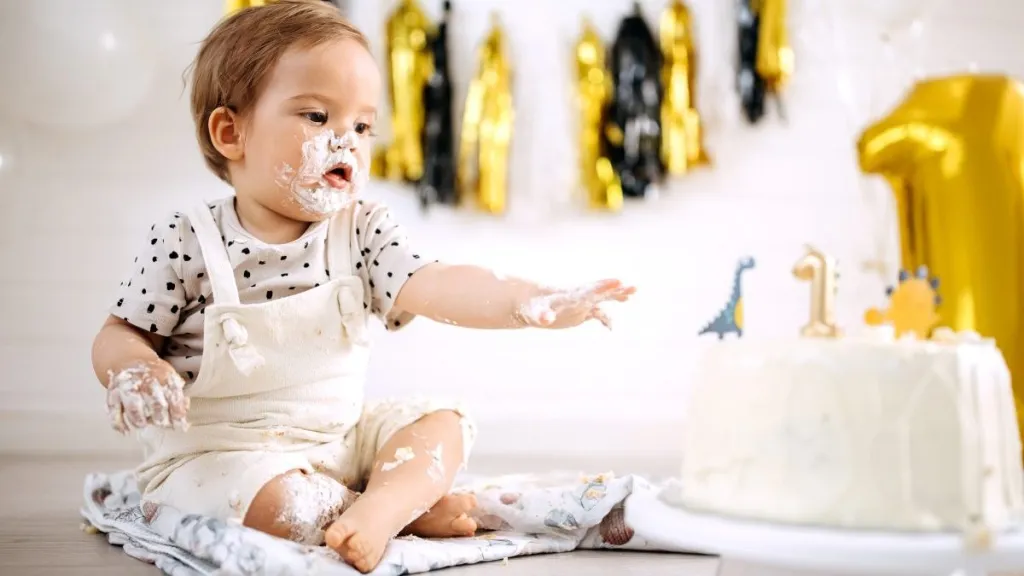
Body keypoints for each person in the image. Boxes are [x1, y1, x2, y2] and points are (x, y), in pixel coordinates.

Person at [90, 1, 635, 573]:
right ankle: (389, 510)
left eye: (362, 125)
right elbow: (120, 334)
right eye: (318, 117)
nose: (345, 140)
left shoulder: (364, 231)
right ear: (232, 132)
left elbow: (437, 283)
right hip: (222, 456)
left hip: (341, 441)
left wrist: (529, 301)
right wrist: (135, 368)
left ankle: (384, 504)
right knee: (277, 504)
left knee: (443, 422)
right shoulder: (187, 240)